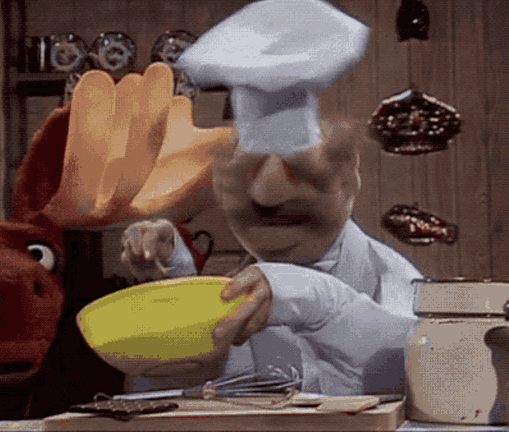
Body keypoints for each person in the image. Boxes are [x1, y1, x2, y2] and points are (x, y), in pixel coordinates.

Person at [118, 119, 423, 396]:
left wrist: (318, 303)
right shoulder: (250, 278)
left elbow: (415, 372)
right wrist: (176, 288)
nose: (266, 193)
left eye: (298, 171)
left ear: (348, 183)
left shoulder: (393, 279)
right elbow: (189, 385)